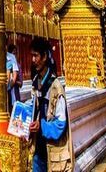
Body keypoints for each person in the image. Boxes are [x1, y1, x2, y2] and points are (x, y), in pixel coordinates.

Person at [28, 37, 72, 172]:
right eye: (32, 56)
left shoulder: (56, 88)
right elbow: (33, 109)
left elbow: (61, 124)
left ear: (45, 56)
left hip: (53, 151)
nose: (33, 60)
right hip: (37, 148)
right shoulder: (36, 84)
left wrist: (42, 126)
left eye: (36, 56)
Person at [7, 42, 21, 110]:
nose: (15, 55)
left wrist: (9, 87)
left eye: (15, 53)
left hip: (12, 90)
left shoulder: (12, 58)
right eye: (13, 53)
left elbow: (19, 81)